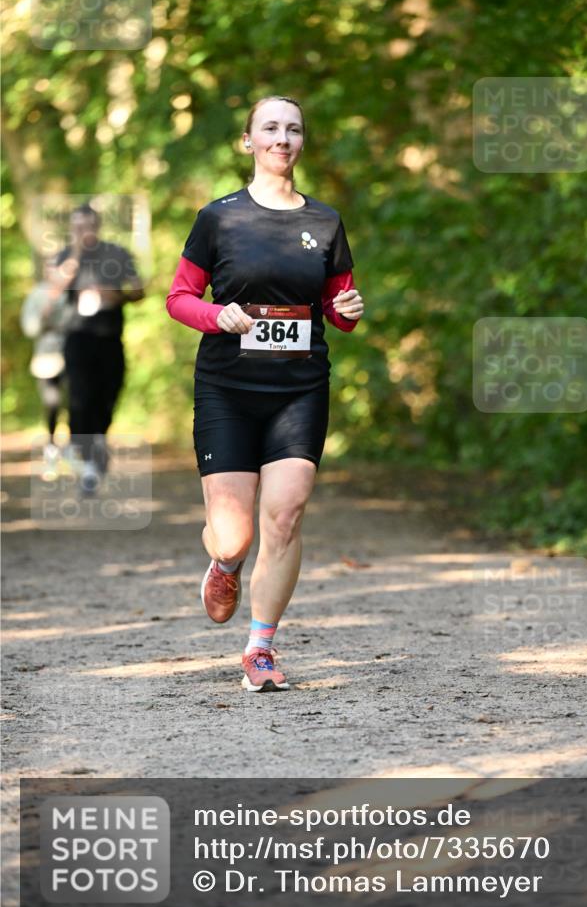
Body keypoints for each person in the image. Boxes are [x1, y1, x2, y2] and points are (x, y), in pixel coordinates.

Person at [166, 95, 364, 692]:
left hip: (299, 389)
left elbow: (337, 307)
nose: (283, 138)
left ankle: (260, 648)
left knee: (285, 516)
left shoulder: (325, 222)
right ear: (248, 141)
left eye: (293, 129)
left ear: (302, 141)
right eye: (271, 128)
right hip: (227, 388)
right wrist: (216, 316)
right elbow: (179, 298)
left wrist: (348, 311)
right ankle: (224, 563)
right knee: (235, 534)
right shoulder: (218, 218)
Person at [45, 204, 145, 495]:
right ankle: (88, 461)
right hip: (76, 338)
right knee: (80, 398)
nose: (84, 231)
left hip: (110, 337)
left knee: (107, 398)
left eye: (88, 225)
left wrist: (117, 296)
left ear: (98, 226)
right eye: (78, 227)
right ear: (71, 228)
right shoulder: (64, 256)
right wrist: (76, 253)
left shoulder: (117, 253)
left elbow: (139, 290)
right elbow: (53, 291)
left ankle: (97, 442)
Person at [20, 278, 71, 480]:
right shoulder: (37, 294)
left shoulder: (73, 291)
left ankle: (75, 451)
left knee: (76, 404)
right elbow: (29, 328)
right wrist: (44, 313)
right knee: (52, 404)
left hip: (73, 355)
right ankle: (51, 451)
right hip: (46, 358)